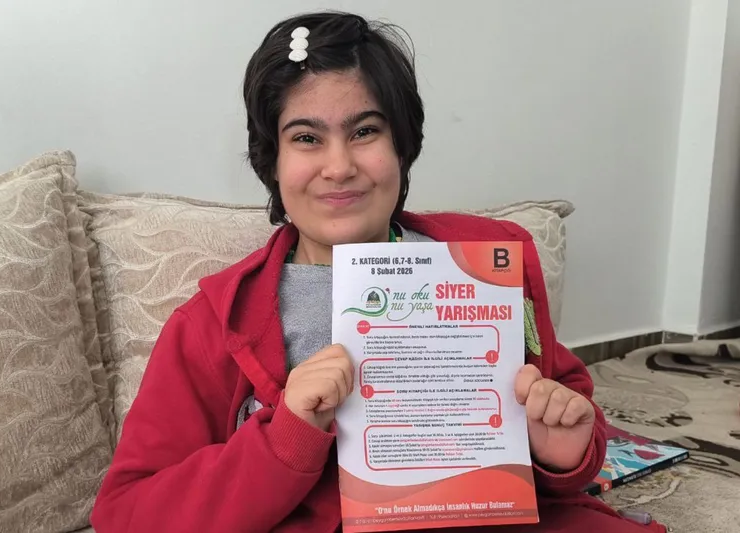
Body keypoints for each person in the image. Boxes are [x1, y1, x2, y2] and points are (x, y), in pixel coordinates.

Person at [90, 11, 667, 533]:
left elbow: (563, 406)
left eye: (364, 131)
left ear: (401, 147)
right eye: (307, 138)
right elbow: (127, 514)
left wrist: (562, 452)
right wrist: (286, 433)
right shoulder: (212, 324)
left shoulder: (480, 271)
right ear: (273, 160)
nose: (339, 166)